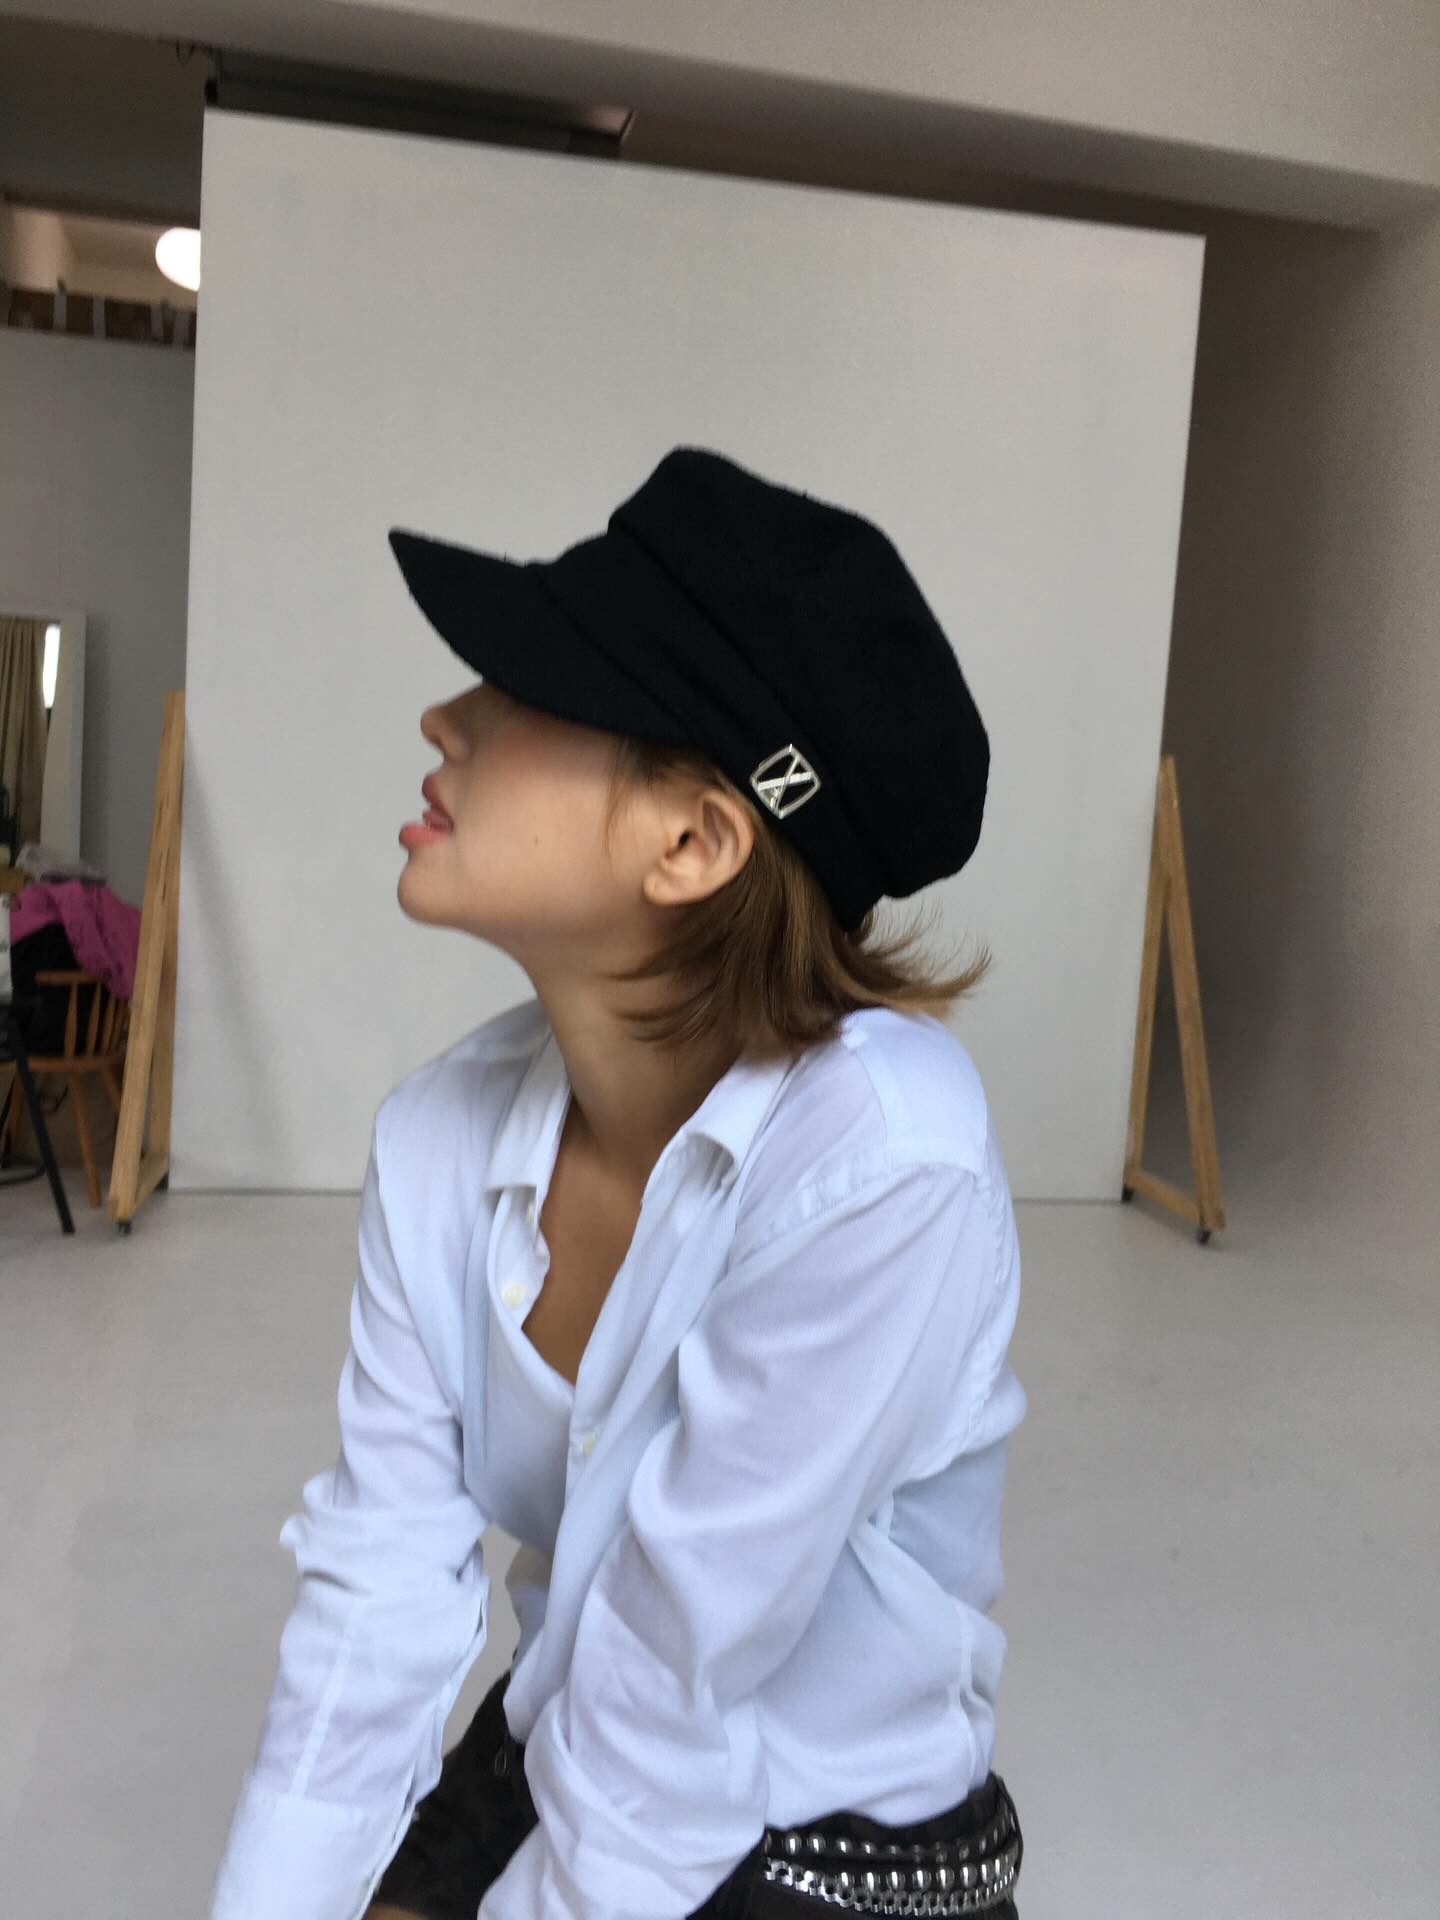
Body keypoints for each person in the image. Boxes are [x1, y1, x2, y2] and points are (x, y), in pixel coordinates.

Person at [208, 446, 1028, 1920]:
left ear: (695, 840)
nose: (447, 716)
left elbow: (674, 1676)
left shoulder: (883, 1157)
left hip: (836, 1846)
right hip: (571, 1735)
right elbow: (377, 1605)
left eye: (527, 688)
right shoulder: (437, 1140)